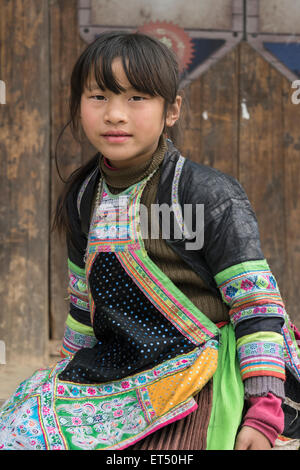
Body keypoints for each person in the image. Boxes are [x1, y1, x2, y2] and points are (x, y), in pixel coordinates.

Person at [0, 31, 299, 451]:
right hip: (121, 368)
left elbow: (257, 306)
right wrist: (65, 380)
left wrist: (264, 411)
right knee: (22, 426)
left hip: (204, 369)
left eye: (137, 98)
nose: (115, 115)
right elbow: (83, 308)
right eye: (99, 97)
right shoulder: (84, 197)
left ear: (171, 110)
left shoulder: (206, 195)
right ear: (78, 105)